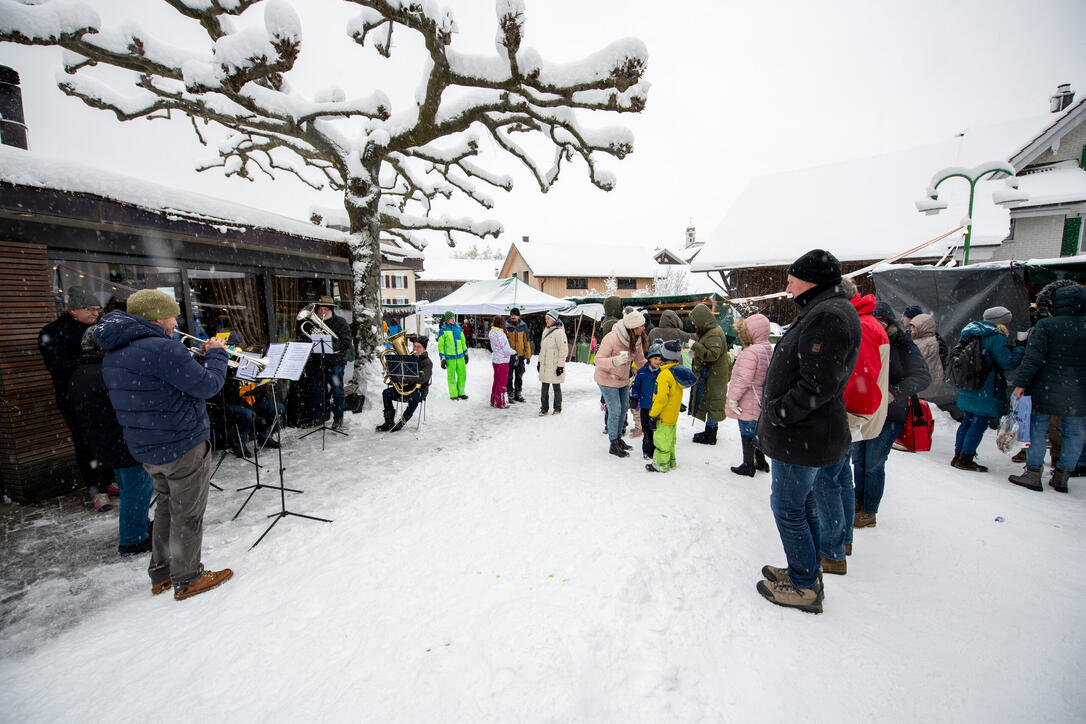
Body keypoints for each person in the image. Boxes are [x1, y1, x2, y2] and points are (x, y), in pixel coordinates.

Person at [93, 289, 233, 601]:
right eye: (172, 315)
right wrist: (217, 354)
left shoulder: (116, 352)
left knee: (167, 507)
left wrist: (193, 359)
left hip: (147, 445)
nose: (175, 322)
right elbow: (209, 385)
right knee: (188, 512)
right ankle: (188, 577)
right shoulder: (163, 349)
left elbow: (160, 385)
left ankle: (161, 573)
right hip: (181, 443)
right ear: (157, 317)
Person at [754, 249, 861, 614]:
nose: (787, 285)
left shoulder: (828, 316)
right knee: (804, 505)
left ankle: (803, 586)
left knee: (787, 508)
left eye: (792, 278)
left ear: (811, 280)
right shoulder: (823, 310)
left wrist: (779, 413)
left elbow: (818, 384)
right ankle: (806, 571)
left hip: (803, 433)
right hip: (806, 433)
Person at [813, 279, 888, 573]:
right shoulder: (865, 321)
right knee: (841, 476)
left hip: (846, 415)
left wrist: (843, 418)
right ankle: (842, 540)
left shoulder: (860, 325)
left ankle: (831, 550)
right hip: (851, 415)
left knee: (826, 480)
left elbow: (860, 380)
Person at [68, 327, 154, 555]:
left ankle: (139, 527)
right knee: (137, 487)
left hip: (102, 439)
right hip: (119, 439)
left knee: (131, 485)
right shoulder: (105, 372)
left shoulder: (80, 372)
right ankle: (133, 539)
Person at [851, 303, 930, 529]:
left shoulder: (902, 344)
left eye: (881, 322)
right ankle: (858, 500)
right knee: (858, 459)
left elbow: (922, 376)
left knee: (874, 463)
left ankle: (869, 510)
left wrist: (893, 393)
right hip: (863, 411)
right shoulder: (865, 338)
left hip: (888, 413)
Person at [1008, 283, 1086, 492]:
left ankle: (1033, 473)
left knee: (1037, 429)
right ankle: (1062, 477)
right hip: (1078, 393)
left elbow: (1032, 359)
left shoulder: (1046, 326)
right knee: (1074, 433)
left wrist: (1020, 384)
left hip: (1045, 389)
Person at [37, 286, 110, 510]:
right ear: (73, 309)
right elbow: (56, 366)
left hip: (105, 394)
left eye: (98, 309)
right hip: (75, 397)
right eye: (90, 309)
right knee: (86, 442)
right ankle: (97, 489)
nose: (95, 314)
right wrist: (90, 363)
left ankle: (110, 480)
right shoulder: (53, 332)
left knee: (110, 438)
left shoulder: (101, 328)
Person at [950, 306, 1024, 473]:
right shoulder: (996, 337)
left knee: (968, 420)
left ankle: (958, 455)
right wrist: (1019, 349)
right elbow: (1007, 362)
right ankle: (966, 458)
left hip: (968, 384)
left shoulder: (970, 331)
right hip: (985, 386)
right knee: (979, 422)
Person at [594, 309, 647, 458]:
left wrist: (654, 369)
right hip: (606, 378)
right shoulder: (611, 338)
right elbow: (597, 360)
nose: (644, 328)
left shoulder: (637, 339)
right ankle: (613, 443)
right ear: (633, 327)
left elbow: (640, 360)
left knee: (624, 407)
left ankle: (618, 438)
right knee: (615, 409)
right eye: (641, 325)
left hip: (623, 379)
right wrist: (614, 361)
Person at [725, 313, 773, 476]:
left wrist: (733, 399)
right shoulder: (766, 348)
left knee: (747, 432)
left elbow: (743, 379)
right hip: (760, 398)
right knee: (756, 431)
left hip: (748, 399)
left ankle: (748, 465)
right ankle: (761, 462)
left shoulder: (750, 352)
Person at [645, 340, 697, 472]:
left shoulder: (664, 375)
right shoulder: (676, 373)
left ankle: (660, 465)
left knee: (661, 441)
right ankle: (671, 461)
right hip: (672, 415)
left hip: (663, 416)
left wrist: (653, 415)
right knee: (669, 440)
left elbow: (661, 399)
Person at [688, 303, 731, 445]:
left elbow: (712, 355)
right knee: (710, 403)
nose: (695, 326)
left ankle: (711, 435)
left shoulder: (714, 333)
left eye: (696, 323)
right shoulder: (711, 331)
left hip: (714, 377)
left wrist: (695, 346)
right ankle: (709, 431)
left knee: (713, 404)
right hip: (713, 376)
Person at [307, 296, 352, 430]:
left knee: (337, 390)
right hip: (318, 361)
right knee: (317, 390)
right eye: (320, 309)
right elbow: (307, 340)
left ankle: (338, 418)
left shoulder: (341, 322)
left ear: (331, 309)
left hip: (335, 362)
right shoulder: (313, 323)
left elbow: (346, 343)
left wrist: (331, 346)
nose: (322, 312)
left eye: (325, 309)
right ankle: (318, 417)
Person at [376, 336, 433, 432]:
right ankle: (389, 422)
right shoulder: (409, 359)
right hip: (406, 388)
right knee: (386, 393)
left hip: (420, 389)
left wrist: (406, 378)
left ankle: (402, 421)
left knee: (415, 397)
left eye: (418, 347)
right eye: (414, 346)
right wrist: (393, 375)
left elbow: (422, 378)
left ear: (424, 348)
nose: (415, 349)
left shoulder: (427, 362)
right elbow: (401, 371)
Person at [225, 378, 285, 457]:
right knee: (248, 414)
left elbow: (261, 390)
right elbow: (229, 391)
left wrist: (258, 389)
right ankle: (238, 444)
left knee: (279, 408)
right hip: (235, 403)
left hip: (254, 403)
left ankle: (265, 436)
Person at [631, 342, 664, 460]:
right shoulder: (642, 372)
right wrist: (634, 397)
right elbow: (636, 386)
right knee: (646, 430)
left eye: (659, 359)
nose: (657, 361)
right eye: (655, 358)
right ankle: (646, 451)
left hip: (657, 407)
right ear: (649, 359)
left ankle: (655, 450)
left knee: (655, 430)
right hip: (645, 406)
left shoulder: (662, 373)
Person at [537, 309, 568, 416]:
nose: (546, 320)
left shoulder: (560, 333)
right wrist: (539, 362)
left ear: (554, 319)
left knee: (556, 387)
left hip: (554, 365)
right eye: (546, 318)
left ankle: (557, 408)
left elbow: (563, 350)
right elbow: (542, 349)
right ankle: (544, 408)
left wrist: (560, 366)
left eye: (548, 318)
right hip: (545, 365)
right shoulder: (545, 330)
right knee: (544, 388)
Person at [437, 311, 469, 401]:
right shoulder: (443, 330)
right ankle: (453, 394)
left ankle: (461, 392)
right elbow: (441, 346)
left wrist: (465, 353)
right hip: (449, 357)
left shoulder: (458, 328)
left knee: (462, 374)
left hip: (460, 357)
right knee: (451, 376)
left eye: (454, 318)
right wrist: (442, 358)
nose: (453, 319)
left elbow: (463, 341)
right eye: (451, 318)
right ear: (447, 319)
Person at [505, 307, 532, 403]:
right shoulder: (506, 325)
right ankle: (510, 393)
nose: (513, 316)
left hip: (520, 355)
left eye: (515, 315)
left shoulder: (523, 325)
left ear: (518, 316)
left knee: (519, 375)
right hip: (510, 356)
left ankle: (518, 393)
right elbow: (504, 341)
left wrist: (528, 356)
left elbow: (526, 341)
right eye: (511, 315)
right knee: (509, 376)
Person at [488, 315, 514, 408]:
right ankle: (501, 403)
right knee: (502, 382)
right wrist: (513, 352)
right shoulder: (500, 334)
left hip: (495, 359)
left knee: (496, 381)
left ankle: (493, 400)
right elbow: (506, 349)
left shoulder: (492, 332)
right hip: (502, 360)